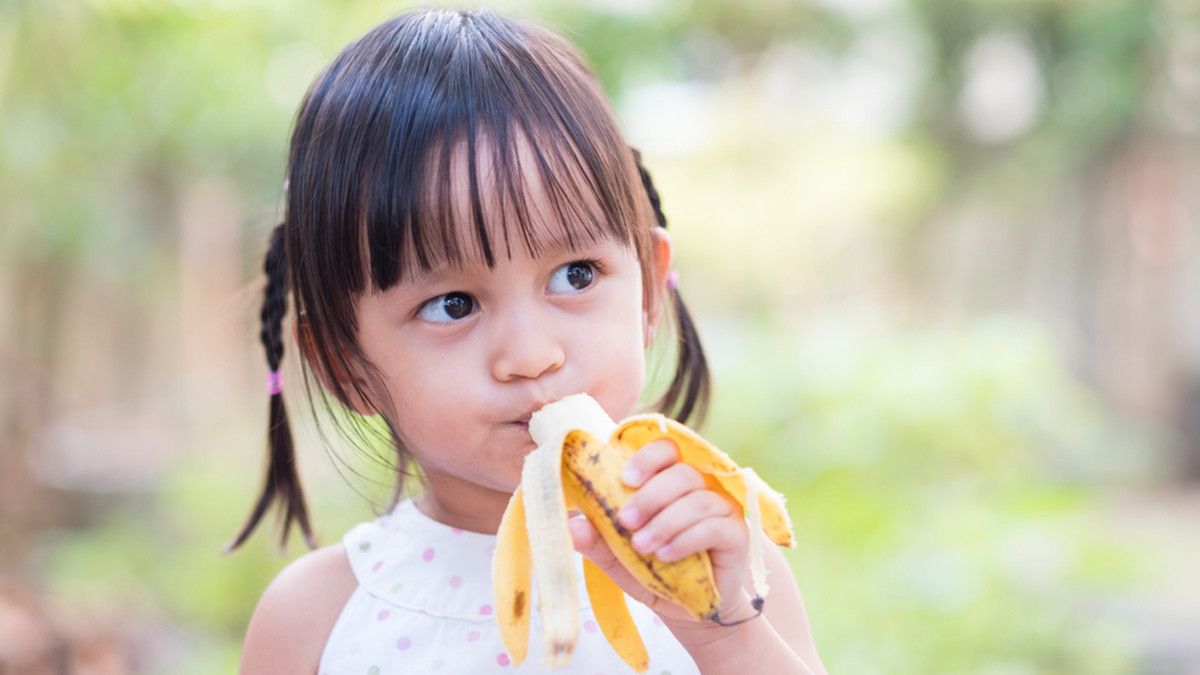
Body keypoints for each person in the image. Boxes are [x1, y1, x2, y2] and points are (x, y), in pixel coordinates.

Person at [231, 8, 826, 674]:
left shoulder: (727, 568)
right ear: (348, 366)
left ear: (648, 293)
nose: (532, 354)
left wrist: (722, 635)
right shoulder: (315, 617)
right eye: (452, 304)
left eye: (576, 275)